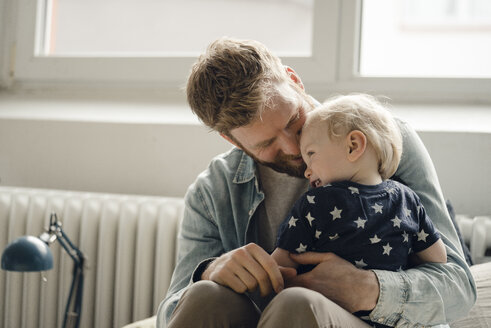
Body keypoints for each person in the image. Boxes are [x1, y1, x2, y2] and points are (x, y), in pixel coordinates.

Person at [157, 38, 476, 328]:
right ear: (233, 140)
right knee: (205, 296)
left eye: (294, 120)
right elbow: (170, 313)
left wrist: (365, 288)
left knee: (297, 305)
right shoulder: (212, 192)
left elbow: (457, 286)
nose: (294, 148)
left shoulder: (382, 140)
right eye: (267, 143)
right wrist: (209, 272)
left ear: (294, 81)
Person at [271, 94, 447, 327]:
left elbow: (279, 267)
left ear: (353, 146)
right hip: (394, 319)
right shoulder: (408, 200)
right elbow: (438, 258)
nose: (307, 171)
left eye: (311, 155)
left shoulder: (316, 203)